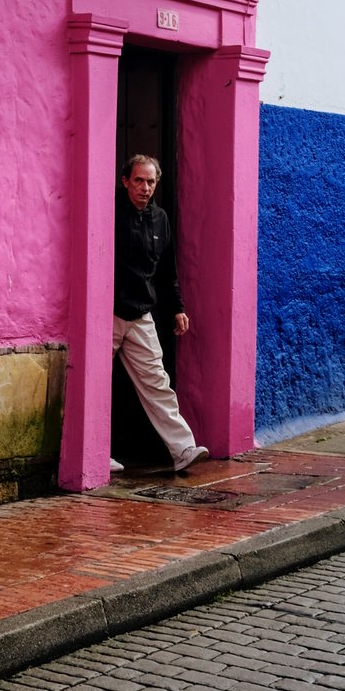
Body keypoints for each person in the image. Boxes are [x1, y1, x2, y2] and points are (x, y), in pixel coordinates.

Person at [111, 154, 208, 474]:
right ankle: (96, 453)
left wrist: (178, 307)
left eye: (151, 182)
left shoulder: (160, 219)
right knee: (95, 382)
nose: (145, 187)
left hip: (141, 314)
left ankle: (183, 449)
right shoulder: (109, 211)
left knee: (157, 382)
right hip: (108, 313)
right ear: (125, 181)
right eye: (138, 180)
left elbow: (167, 270)